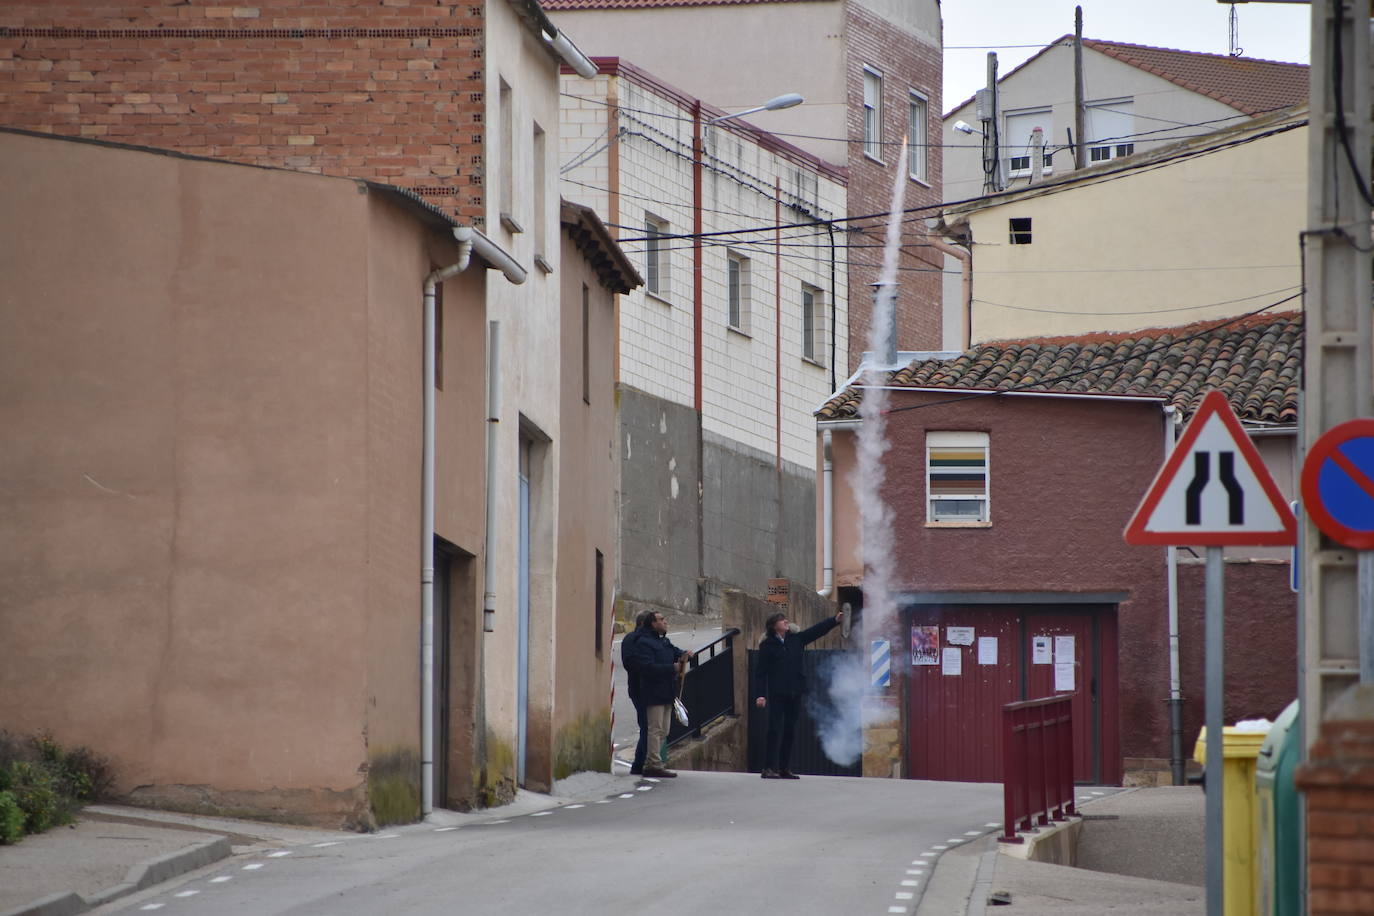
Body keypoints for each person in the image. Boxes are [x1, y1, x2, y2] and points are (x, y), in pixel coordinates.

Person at [753, 608, 844, 779]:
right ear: (774, 626)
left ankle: (784, 768)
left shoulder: (797, 639)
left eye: (786, 619)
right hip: (777, 693)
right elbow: (760, 672)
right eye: (782, 620)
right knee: (774, 730)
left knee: (790, 730)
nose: (786, 621)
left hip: (795, 692)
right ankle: (768, 768)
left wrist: (834, 621)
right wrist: (760, 695)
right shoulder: (767, 646)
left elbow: (816, 631)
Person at [628, 611, 693, 778]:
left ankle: (656, 763)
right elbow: (647, 667)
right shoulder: (643, 643)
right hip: (653, 691)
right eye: (661, 620)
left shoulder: (663, 641)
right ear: (653, 624)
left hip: (666, 691)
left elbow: (674, 651)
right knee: (655, 729)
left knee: (664, 730)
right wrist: (671, 668)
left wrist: (685, 654)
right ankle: (653, 764)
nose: (665, 622)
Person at [620, 611, 654, 775]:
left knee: (650, 726)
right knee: (647, 726)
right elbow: (631, 664)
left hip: (646, 688)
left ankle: (644, 761)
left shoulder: (649, 640)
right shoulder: (633, 640)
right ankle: (639, 764)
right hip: (639, 689)